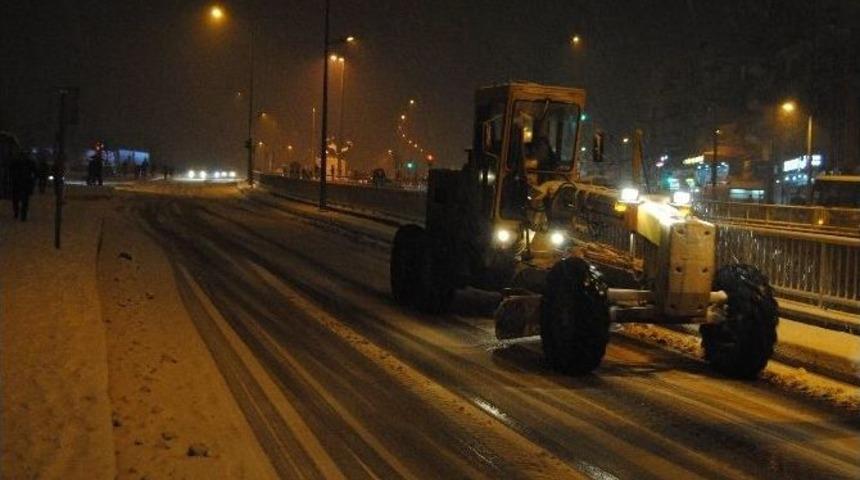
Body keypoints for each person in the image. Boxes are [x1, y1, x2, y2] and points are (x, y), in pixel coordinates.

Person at [10, 151, 37, 221]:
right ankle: (22, 215)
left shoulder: (15, 162)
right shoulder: (29, 163)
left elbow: (11, 171)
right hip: (25, 184)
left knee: (16, 200)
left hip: (18, 183)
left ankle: (17, 213)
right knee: (24, 201)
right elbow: (35, 172)